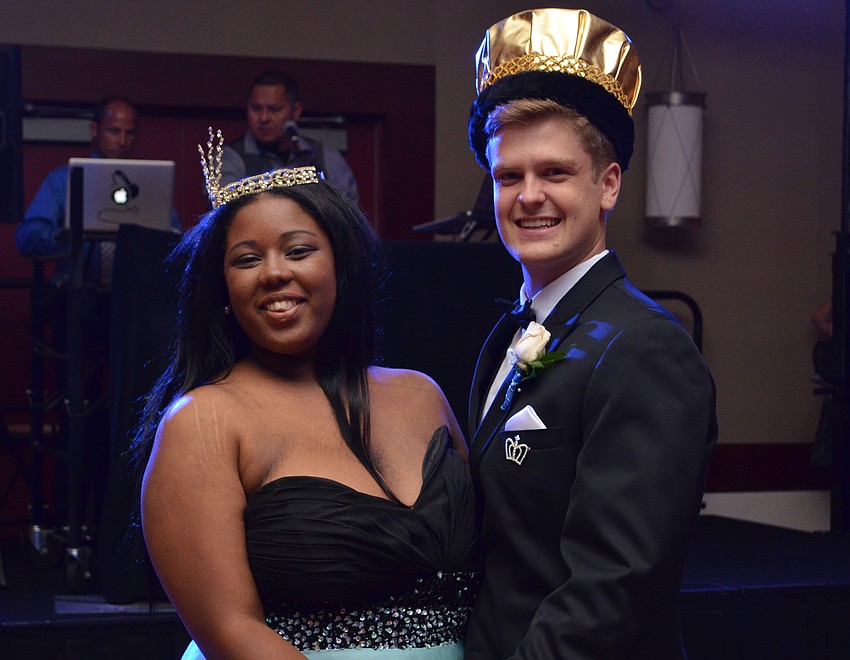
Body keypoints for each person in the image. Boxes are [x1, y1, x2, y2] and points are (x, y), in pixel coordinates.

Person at [135, 130, 477, 658]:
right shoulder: (203, 421)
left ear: (340, 267)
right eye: (247, 260)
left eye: (298, 251)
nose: (274, 273)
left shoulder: (421, 395)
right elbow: (233, 632)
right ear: (223, 290)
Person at [463, 9, 718, 659]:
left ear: (607, 184)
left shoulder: (646, 348)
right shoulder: (508, 334)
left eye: (554, 173)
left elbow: (614, 591)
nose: (528, 196)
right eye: (508, 176)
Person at [15, 95, 181, 270]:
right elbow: (27, 237)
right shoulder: (63, 180)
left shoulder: (150, 183)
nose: (122, 141)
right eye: (114, 131)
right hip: (75, 292)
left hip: (136, 293)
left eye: (129, 133)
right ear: (95, 130)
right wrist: (70, 239)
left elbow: (176, 239)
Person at [221, 69, 360, 206]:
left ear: (295, 111)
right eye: (256, 108)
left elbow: (348, 215)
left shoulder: (325, 156)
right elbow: (229, 212)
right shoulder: (230, 159)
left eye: (274, 109)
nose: (263, 118)